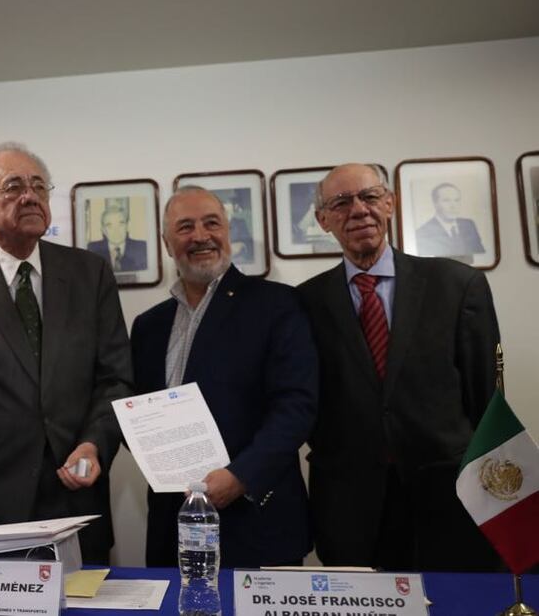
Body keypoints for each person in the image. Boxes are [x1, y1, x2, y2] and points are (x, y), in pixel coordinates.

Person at [0, 142, 133, 564]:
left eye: (38, 185)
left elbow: (116, 378)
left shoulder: (90, 273)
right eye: (13, 186)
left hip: (76, 497)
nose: (31, 196)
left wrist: (93, 443)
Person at [299, 163, 501, 571]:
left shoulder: (457, 284)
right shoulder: (303, 303)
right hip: (351, 508)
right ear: (323, 220)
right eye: (341, 202)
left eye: (370, 196)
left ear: (389, 203)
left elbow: (487, 401)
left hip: (448, 498)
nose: (359, 210)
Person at [131, 186, 318, 568]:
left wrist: (240, 476)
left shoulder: (276, 304)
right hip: (173, 524)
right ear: (168, 244)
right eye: (185, 227)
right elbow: (136, 412)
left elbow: (297, 406)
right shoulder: (148, 326)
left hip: (256, 521)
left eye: (211, 223)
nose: (200, 236)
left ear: (228, 233)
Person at [415, 182, 485, 262]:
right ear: (435, 203)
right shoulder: (422, 232)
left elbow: (480, 255)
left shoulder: (469, 224)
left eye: (456, 200)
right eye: (446, 201)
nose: (453, 206)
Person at [86, 205, 148, 272]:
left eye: (121, 224)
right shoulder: (92, 249)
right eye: (109, 225)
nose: (116, 230)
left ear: (127, 226)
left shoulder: (143, 248)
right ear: (103, 230)